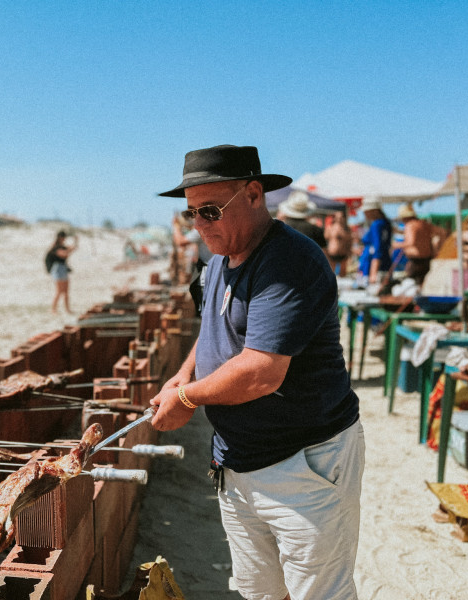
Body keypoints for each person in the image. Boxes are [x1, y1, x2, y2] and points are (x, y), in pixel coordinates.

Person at [153, 144, 364, 600]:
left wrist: (189, 399)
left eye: (210, 211)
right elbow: (214, 330)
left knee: (317, 593)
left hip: (303, 460)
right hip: (239, 461)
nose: (199, 226)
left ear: (253, 194)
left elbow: (263, 371)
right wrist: (182, 376)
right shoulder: (216, 266)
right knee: (262, 594)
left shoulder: (288, 262)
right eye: (192, 214)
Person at [391, 203, 447, 287]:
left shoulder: (410, 225)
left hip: (415, 260)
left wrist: (395, 245)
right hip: (426, 259)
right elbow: (443, 232)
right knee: (420, 285)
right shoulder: (423, 224)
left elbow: (411, 242)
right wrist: (437, 249)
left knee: (410, 284)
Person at [358, 197, 392, 287]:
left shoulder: (377, 224)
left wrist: (373, 273)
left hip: (372, 264)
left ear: (374, 211)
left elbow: (377, 248)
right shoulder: (386, 223)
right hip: (385, 261)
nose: (364, 213)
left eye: (366, 211)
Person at [46, 230, 77, 313]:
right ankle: (53, 309)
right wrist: (68, 251)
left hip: (63, 268)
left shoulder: (62, 246)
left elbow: (72, 249)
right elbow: (63, 254)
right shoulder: (55, 246)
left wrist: (76, 241)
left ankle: (67, 309)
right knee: (59, 291)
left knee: (66, 292)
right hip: (58, 268)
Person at [325, 210, 353, 276]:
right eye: (337, 217)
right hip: (332, 253)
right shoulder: (330, 228)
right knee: (331, 274)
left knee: (343, 274)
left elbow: (349, 241)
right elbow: (326, 237)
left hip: (343, 253)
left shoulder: (347, 229)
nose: (340, 219)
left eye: (341, 217)